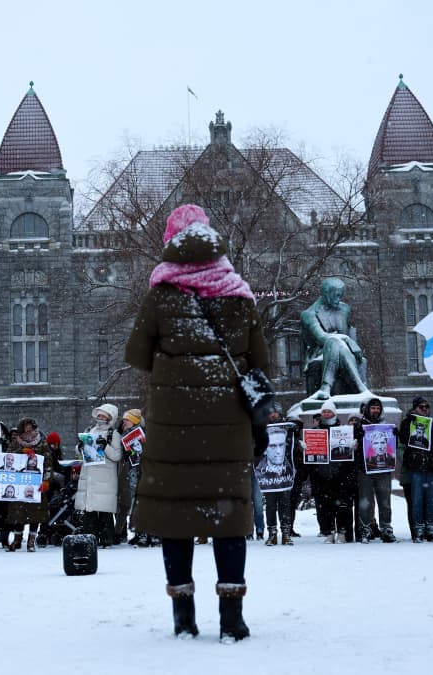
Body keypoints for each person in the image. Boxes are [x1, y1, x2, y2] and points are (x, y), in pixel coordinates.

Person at [124, 203, 269, 642]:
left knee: (176, 518)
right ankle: (232, 619)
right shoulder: (238, 293)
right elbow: (260, 361)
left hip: (173, 428)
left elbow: (136, 354)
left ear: (172, 242)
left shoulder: (161, 293)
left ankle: (183, 618)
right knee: (228, 517)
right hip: (228, 427)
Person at [301, 277, 368, 399]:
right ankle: (360, 387)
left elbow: (350, 330)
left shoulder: (345, 309)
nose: (339, 299)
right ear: (326, 294)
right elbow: (322, 338)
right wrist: (347, 340)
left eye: (341, 295)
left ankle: (326, 387)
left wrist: (351, 343)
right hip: (321, 352)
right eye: (336, 295)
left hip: (345, 351)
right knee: (333, 342)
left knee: (339, 345)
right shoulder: (309, 314)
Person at [75, 404, 123, 547]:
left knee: (104, 510)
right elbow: (79, 453)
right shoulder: (89, 431)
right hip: (89, 474)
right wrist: (80, 447)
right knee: (89, 510)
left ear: (110, 418)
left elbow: (117, 455)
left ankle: (107, 538)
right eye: (99, 415)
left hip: (105, 477)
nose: (100, 418)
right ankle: (91, 538)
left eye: (104, 416)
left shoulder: (113, 434)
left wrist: (105, 446)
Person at [311, 401, 357, 543]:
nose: (326, 413)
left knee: (343, 504)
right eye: (324, 411)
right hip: (322, 474)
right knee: (324, 505)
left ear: (334, 413)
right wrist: (306, 448)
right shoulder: (316, 430)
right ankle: (329, 532)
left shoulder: (343, 429)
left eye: (329, 411)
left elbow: (347, 453)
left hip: (341, 473)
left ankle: (342, 532)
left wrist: (351, 447)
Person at [6, 417, 53, 552]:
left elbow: (48, 463)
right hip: (19, 484)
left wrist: (46, 480)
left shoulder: (42, 443)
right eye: (26, 427)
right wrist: (21, 453)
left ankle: (31, 540)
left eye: (30, 427)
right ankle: (17, 539)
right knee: (17, 513)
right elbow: (7, 457)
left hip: (36, 484)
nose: (28, 429)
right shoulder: (16, 443)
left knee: (36, 513)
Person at [399, 397, 433, 542]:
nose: (424, 409)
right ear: (415, 408)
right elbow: (403, 438)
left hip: (431, 466)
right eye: (421, 407)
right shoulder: (407, 423)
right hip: (415, 467)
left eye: (426, 407)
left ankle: (431, 527)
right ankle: (418, 528)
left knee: (431, 500)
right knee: (417, 500)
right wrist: (410, 421)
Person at [351, 398, 394, 543]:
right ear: (367, 409)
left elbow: (392, 446)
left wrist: (395, 434)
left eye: (377, 408)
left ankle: (386, 529)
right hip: (366, 470)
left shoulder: (386, 425)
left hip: (383, 470)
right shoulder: (359, 425)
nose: (375, 410)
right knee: (365, 502)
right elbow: (353, 447)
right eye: (373, 408)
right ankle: (365, 530)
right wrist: (358, 437)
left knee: (385, 502)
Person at [259, 419, 297, 547]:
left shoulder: (286, 426)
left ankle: (286, 533)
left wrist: (295, 432)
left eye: (281, 445)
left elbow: (293, 443)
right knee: (270, 506)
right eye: (272, 446)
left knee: (285, 504)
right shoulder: (261, 468)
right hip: (267, 479)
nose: (278, 451)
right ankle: (272, 533)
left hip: (284, 479)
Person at [115, 408, 146, 545]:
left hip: (142, 473)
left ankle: (144, 533)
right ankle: (138, 532)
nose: (124, 421)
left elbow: (144, 452)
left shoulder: (141, 433)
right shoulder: (125, 434)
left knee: (141, 504)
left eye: (127, 419)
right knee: (134, 504)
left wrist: (133, 455)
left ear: (134, 421)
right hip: (131, 473)